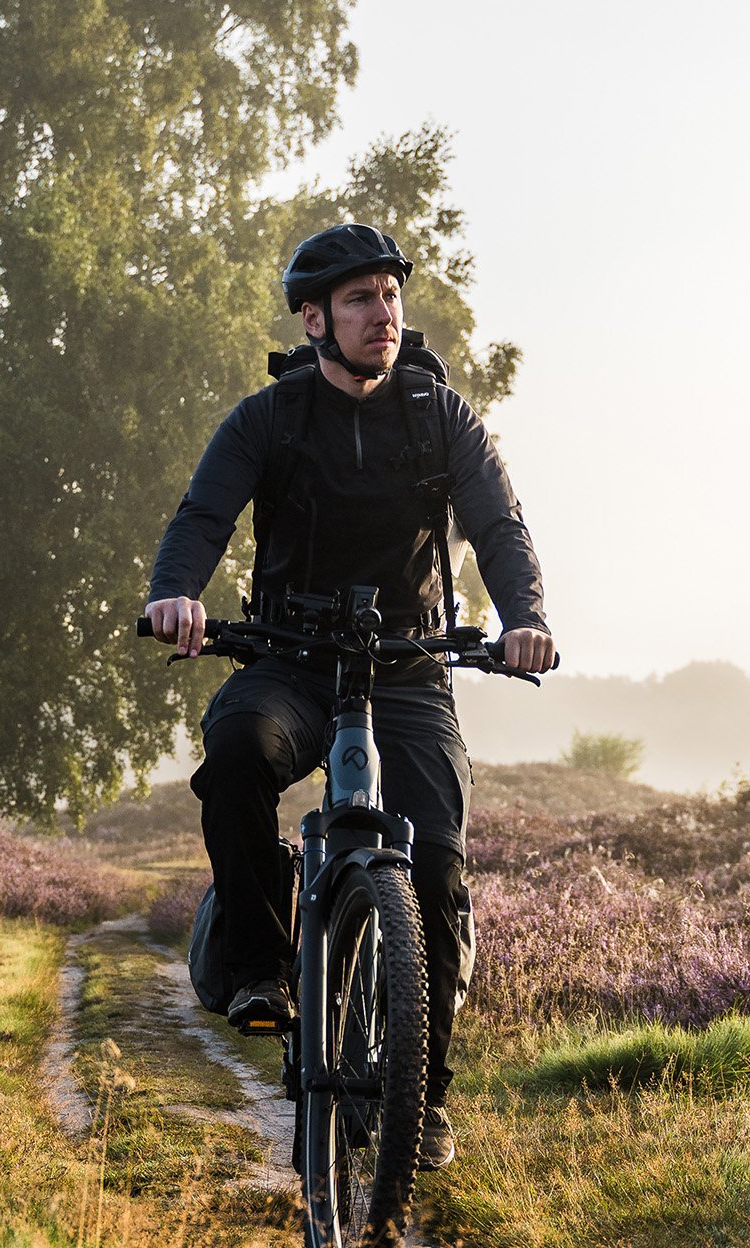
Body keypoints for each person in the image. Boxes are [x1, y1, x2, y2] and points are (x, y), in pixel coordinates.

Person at [145, 223, 553, 1169]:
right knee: (240, 748)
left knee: (439, 859)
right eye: (361, 299)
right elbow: (204, 515)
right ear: (315, 318)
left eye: (390, 294)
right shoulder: (269, 420)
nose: (384, 314)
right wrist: (176, 594)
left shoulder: (439, 415)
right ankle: (257, 966)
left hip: (406, 669)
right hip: (290, 661)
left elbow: (498, 521)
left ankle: (426, 1096)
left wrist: (523, 615)